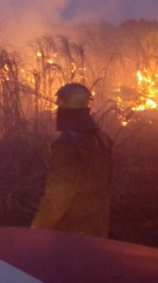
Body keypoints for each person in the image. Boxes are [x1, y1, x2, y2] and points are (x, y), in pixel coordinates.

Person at [31, 83, 114, 238]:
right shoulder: (102, 139)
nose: (57, 110)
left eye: (60, 105)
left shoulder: (68, 145)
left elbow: (57, 195)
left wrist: (38, 228)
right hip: (97, 227)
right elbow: (107, 184)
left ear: (65, 108)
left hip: (70, 233)